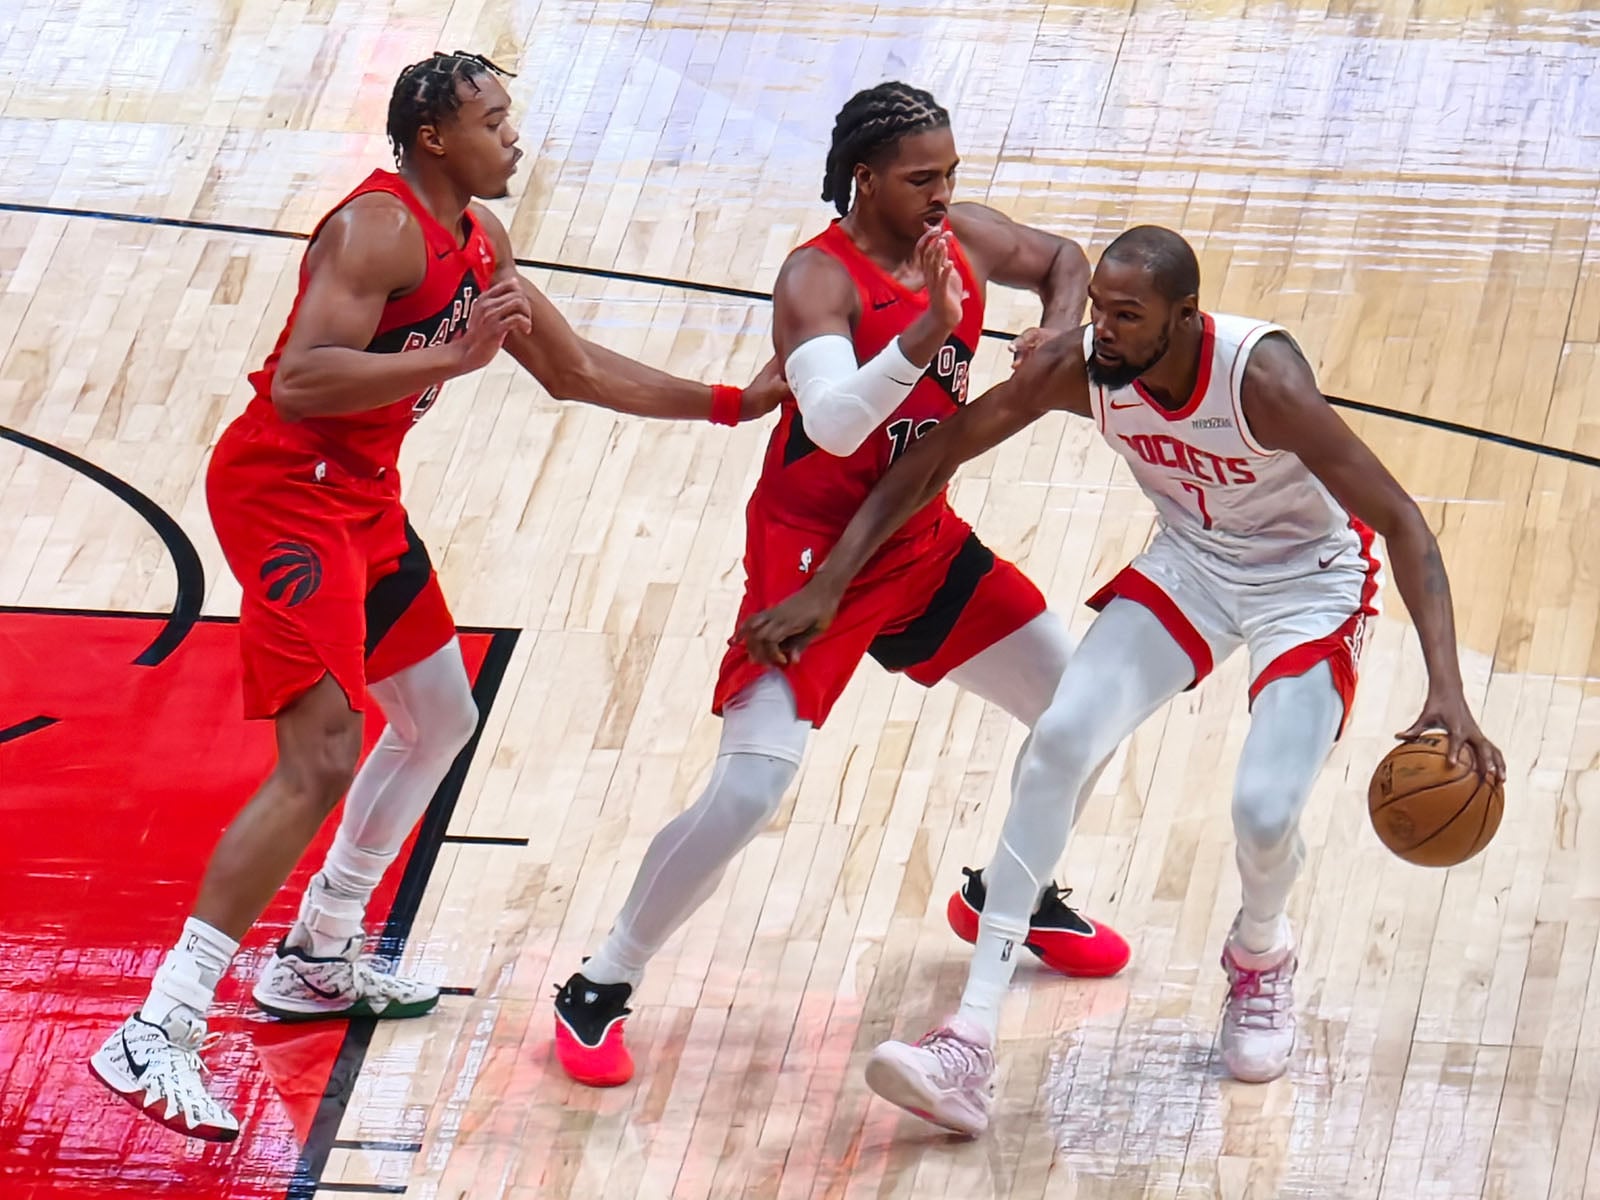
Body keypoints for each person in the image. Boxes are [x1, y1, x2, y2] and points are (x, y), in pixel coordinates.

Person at [87, 51, 784, 1142]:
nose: (514, 140)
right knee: (318, 754)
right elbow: (300, 377)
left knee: (439, 715)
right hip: (287, 497)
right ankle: (158, 1024)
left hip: (362, 496)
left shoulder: (479, 237)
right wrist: (450, 360)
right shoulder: (375, 232)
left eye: (510, 119)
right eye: (494, 122)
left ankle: (317, 953)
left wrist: (733, 403)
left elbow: (570, 369)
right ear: (431, 140)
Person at [738, 224, 1506, 1136]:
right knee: (1061, 738)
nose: (1101, 330)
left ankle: (1260, 955)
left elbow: (1407, 522)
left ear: (1184, 319)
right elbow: (934, 454)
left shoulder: (1261, 381)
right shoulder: (1078, 367)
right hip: (1193, 564)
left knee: (1263, 810)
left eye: (1126, 316)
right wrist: (831, 583)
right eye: (1098, 307)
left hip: (1308, 583)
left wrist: (1448, 691)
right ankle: (970, 1039)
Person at [551, 81, 1130, 1091]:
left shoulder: (965, 236)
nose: (943, 195)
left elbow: (1069, 259)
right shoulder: (816, 282)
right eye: (921, 179)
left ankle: (1011, 890)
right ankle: (599, 983)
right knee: (750, 788)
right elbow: (834, 425)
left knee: (1077, 710)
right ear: (863, 176)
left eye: (950, 172)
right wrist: (923, 337)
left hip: (920, 536)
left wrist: (1058, 324)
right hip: (813, 550)